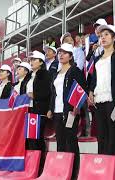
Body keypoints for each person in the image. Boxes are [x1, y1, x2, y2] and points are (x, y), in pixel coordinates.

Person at [88, 24, 115, 180]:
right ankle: (103, 174)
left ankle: (114, 176)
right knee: (102, 137)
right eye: (100, 35)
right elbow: (94, 79)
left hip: (113, 101)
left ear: (114, 38)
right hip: (99, 101)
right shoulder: (97, 59)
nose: (102, 37)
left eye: (106, 34)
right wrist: (91, 92)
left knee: (114, 138)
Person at [47, 43, 86, 179]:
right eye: (59, 53)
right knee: (60, 142)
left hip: (70, 112)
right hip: (57, 112)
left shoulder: (75, 70)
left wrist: (76, 106)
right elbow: (54, 93)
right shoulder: (56, 74)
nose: (61, 55)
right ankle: (62, 172)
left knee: (71, 142)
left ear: (70, 56)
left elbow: (82, 89)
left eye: (64, 53)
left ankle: (74, 174)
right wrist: (51, 109)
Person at [26, 50, 51, 152]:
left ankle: (40, 163)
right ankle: (32, 163)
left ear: (41, 62)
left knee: (38, 137)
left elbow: (48, 93)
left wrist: (34, 95)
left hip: (40, 110)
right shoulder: (30, 76)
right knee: (30, 137)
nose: (31, 62)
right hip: (29, 109)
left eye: (34, 59)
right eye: (31, 60)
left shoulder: (45, 74)